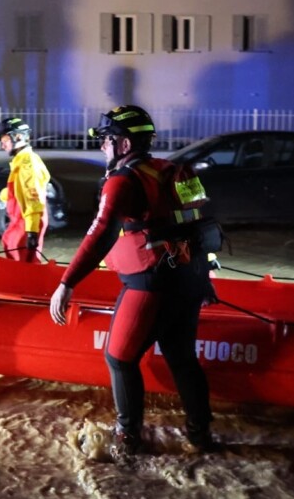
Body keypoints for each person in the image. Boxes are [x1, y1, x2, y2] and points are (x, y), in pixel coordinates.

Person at [48, 105, 217, 459]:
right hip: (187, 279)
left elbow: (100, 235)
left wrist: (67, 282)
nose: (102, 148)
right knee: (182, 358)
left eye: (106, 141)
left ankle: (127, 440)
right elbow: (202, 226)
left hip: (149, 283)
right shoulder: (176, 171)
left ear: (123, 144)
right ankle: (200, 437)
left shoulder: (122, 181)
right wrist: (205, 278)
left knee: (119, 358)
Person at [0, 116, 50, 262]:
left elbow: (33, 198)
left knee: (23, 265)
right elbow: (20, 189)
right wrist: (4, 196)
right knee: (13, 252)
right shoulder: (21, 161)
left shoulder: (27, 164)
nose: (3, 146)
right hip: (21, 221)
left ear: (17, 137)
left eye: (5, 141)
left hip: (26, 221)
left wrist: (31, 231)